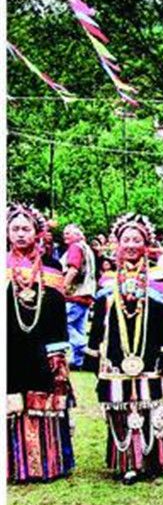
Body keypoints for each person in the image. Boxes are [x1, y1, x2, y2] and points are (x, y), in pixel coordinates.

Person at [82, 214, 163, 484]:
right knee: (120, 404)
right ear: (117, 243)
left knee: (149, 405)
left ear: (146, 244)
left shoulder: (159, 278)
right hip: (116, 354)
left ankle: (152, 460)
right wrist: (92, 355)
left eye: (137, 239)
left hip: (149, 352)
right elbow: (98, 323)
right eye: (125, 239)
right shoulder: (107, 281)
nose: (131, 244)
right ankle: (126, 461)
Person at [7, 203, 76, 483]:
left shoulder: (52, 267)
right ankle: (14, 467)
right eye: (14, 229)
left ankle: (49, 465)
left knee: (45, 395)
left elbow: (58, 312)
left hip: (43, 343)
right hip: (9, 344)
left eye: (26, 229)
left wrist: (57, 350)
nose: (20, 234)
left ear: (36, 233)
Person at [60, 223, 97, 369]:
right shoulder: (87, 249)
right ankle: (78, 361)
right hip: (86, 294)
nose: (65, 235)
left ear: (79, 235)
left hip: (75, 294)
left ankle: (85, 348)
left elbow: (73, 269)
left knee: (64, 323)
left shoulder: (75, 247)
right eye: (64, 233)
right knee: (78, 327)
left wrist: (62, 287)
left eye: (69, 232)